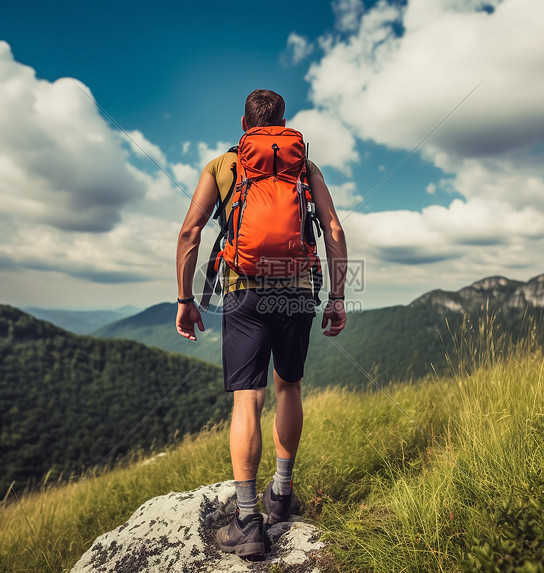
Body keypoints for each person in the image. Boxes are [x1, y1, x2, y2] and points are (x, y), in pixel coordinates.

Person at [175, 89, 347, 559]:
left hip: (243, 289)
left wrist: (185, 298)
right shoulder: (304, 166)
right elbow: (333, 229)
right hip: (295, 291)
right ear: (283, 123)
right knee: (288, 387)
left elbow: (191, 232)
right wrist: (336, 296)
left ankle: (248, 520)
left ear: (244, 123)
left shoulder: (222, 165)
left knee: (248, 399)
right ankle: (282, 494)